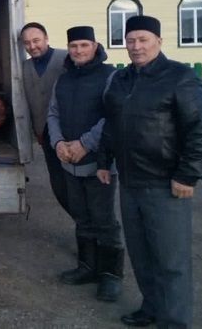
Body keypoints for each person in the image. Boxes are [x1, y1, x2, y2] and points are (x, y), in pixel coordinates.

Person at [97, 15, 202, 328]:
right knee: (142, 255)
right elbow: (112, 123)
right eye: (131, 40)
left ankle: (175, 321)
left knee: (171, 261)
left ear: (159, 41)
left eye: (143, 39)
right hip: (130, 181)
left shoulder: (179, 77)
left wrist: (189, 174)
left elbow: (198, 129)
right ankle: (153, 308)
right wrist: (104, 161)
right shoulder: (120, 80)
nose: (136, 46)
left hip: (165, 183)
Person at [47, 26, 124, 302]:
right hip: (69, 161)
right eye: (73, 46)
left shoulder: (110, 76)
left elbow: (113, 117)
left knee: (104, 220)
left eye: (84, 45)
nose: (78, 51)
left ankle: (111, 276)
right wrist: (58, 143)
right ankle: (87, 267)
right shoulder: (64, 79)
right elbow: (53, 113)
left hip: (99, 163)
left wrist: (84, 144)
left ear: (95, 46)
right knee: (81, 216)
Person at [20, 22, 70, 216]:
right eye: (27, 43)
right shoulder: (25, 67)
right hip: (45, 136)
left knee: (79, 185)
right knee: (59, 186)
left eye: (36, 40)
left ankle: (91, 232)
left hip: (69, 134)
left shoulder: (66, 58)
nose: (32, 46)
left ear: (46, 39)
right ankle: (82, 224)